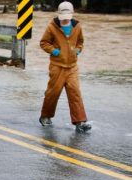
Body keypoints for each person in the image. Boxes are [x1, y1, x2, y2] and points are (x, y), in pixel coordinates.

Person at [39, 1, 91, 132]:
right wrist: (54, 51)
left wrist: (78, 50)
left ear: (72, 15)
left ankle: (80, 122)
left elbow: (80, 41)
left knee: (75, 93)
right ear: (59, 15)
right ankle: (45, 117)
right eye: (63, 18)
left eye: (68, 18)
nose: (65, 20)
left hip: (72, 66)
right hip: (57, 66)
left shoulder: (77, 26)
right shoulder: (52, 27)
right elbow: (44, 43)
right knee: (53, 93)